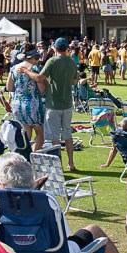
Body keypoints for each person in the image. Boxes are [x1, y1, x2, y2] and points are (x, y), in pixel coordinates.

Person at [26, 39, 79, 172]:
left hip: (53, 104)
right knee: (68, 135)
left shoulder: (52, 61)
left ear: (55, 48)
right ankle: (71, 163)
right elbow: (74, 81)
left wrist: (26, 72)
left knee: (55, 137)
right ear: (66, 49)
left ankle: (59, 164)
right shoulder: (72, 62)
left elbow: (39, 78)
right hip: (67, 103)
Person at [6, 48, 45, 151]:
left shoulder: (14, 68)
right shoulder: (35, 68)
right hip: (33, 105)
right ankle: (31, 155)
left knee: (25, 134)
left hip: (18, 104)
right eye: (37, 58)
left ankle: (24, 155)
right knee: (41, 133)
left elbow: (9, 88)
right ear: (33, 58)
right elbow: (42, 90)